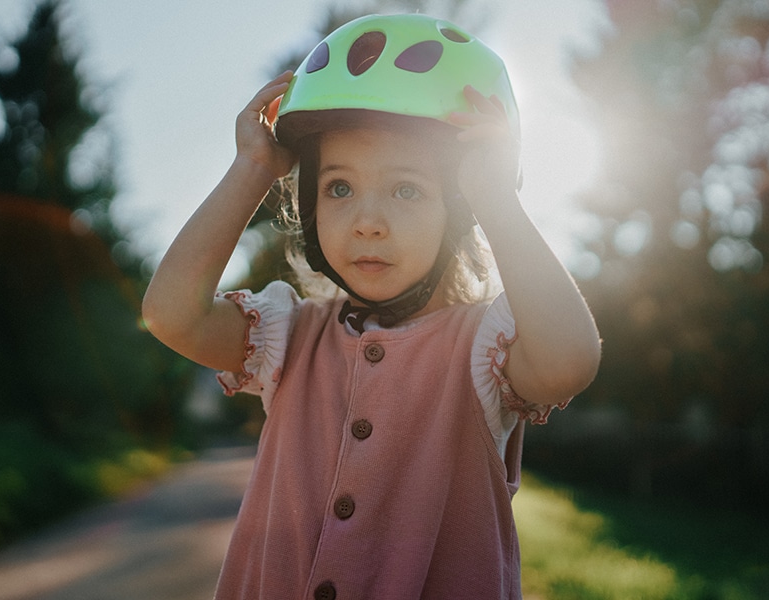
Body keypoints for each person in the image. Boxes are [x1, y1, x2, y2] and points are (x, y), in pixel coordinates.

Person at [142, 13, 600, 600]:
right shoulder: (288, 336)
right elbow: (169, 314)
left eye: (406, 189)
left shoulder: (484, 348)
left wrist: (496, 196)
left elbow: (571, 361)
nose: (367, 223)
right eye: (339, 187)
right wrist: (252, 169)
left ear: (460, 210)